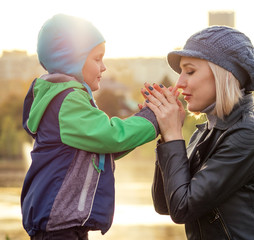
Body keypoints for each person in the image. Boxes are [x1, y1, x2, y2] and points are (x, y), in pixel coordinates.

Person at [21, 14, 159, 239]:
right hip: (59, 225)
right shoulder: (67, 100)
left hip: (65, 222)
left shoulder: (68, 99)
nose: (104, 67)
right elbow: (111, 136)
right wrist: (152, 118)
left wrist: (149, 120)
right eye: (97, 59)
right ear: (72, 59)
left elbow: (106, 147)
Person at [144, 26, 254, 239]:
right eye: (181, 72)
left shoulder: (246, 134)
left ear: (223, 74)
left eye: (190, 71)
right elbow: (165, 204)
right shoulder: (205, 132)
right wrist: (166, 137)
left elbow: (183, 208)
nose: (179, 83)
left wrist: (173, 136)